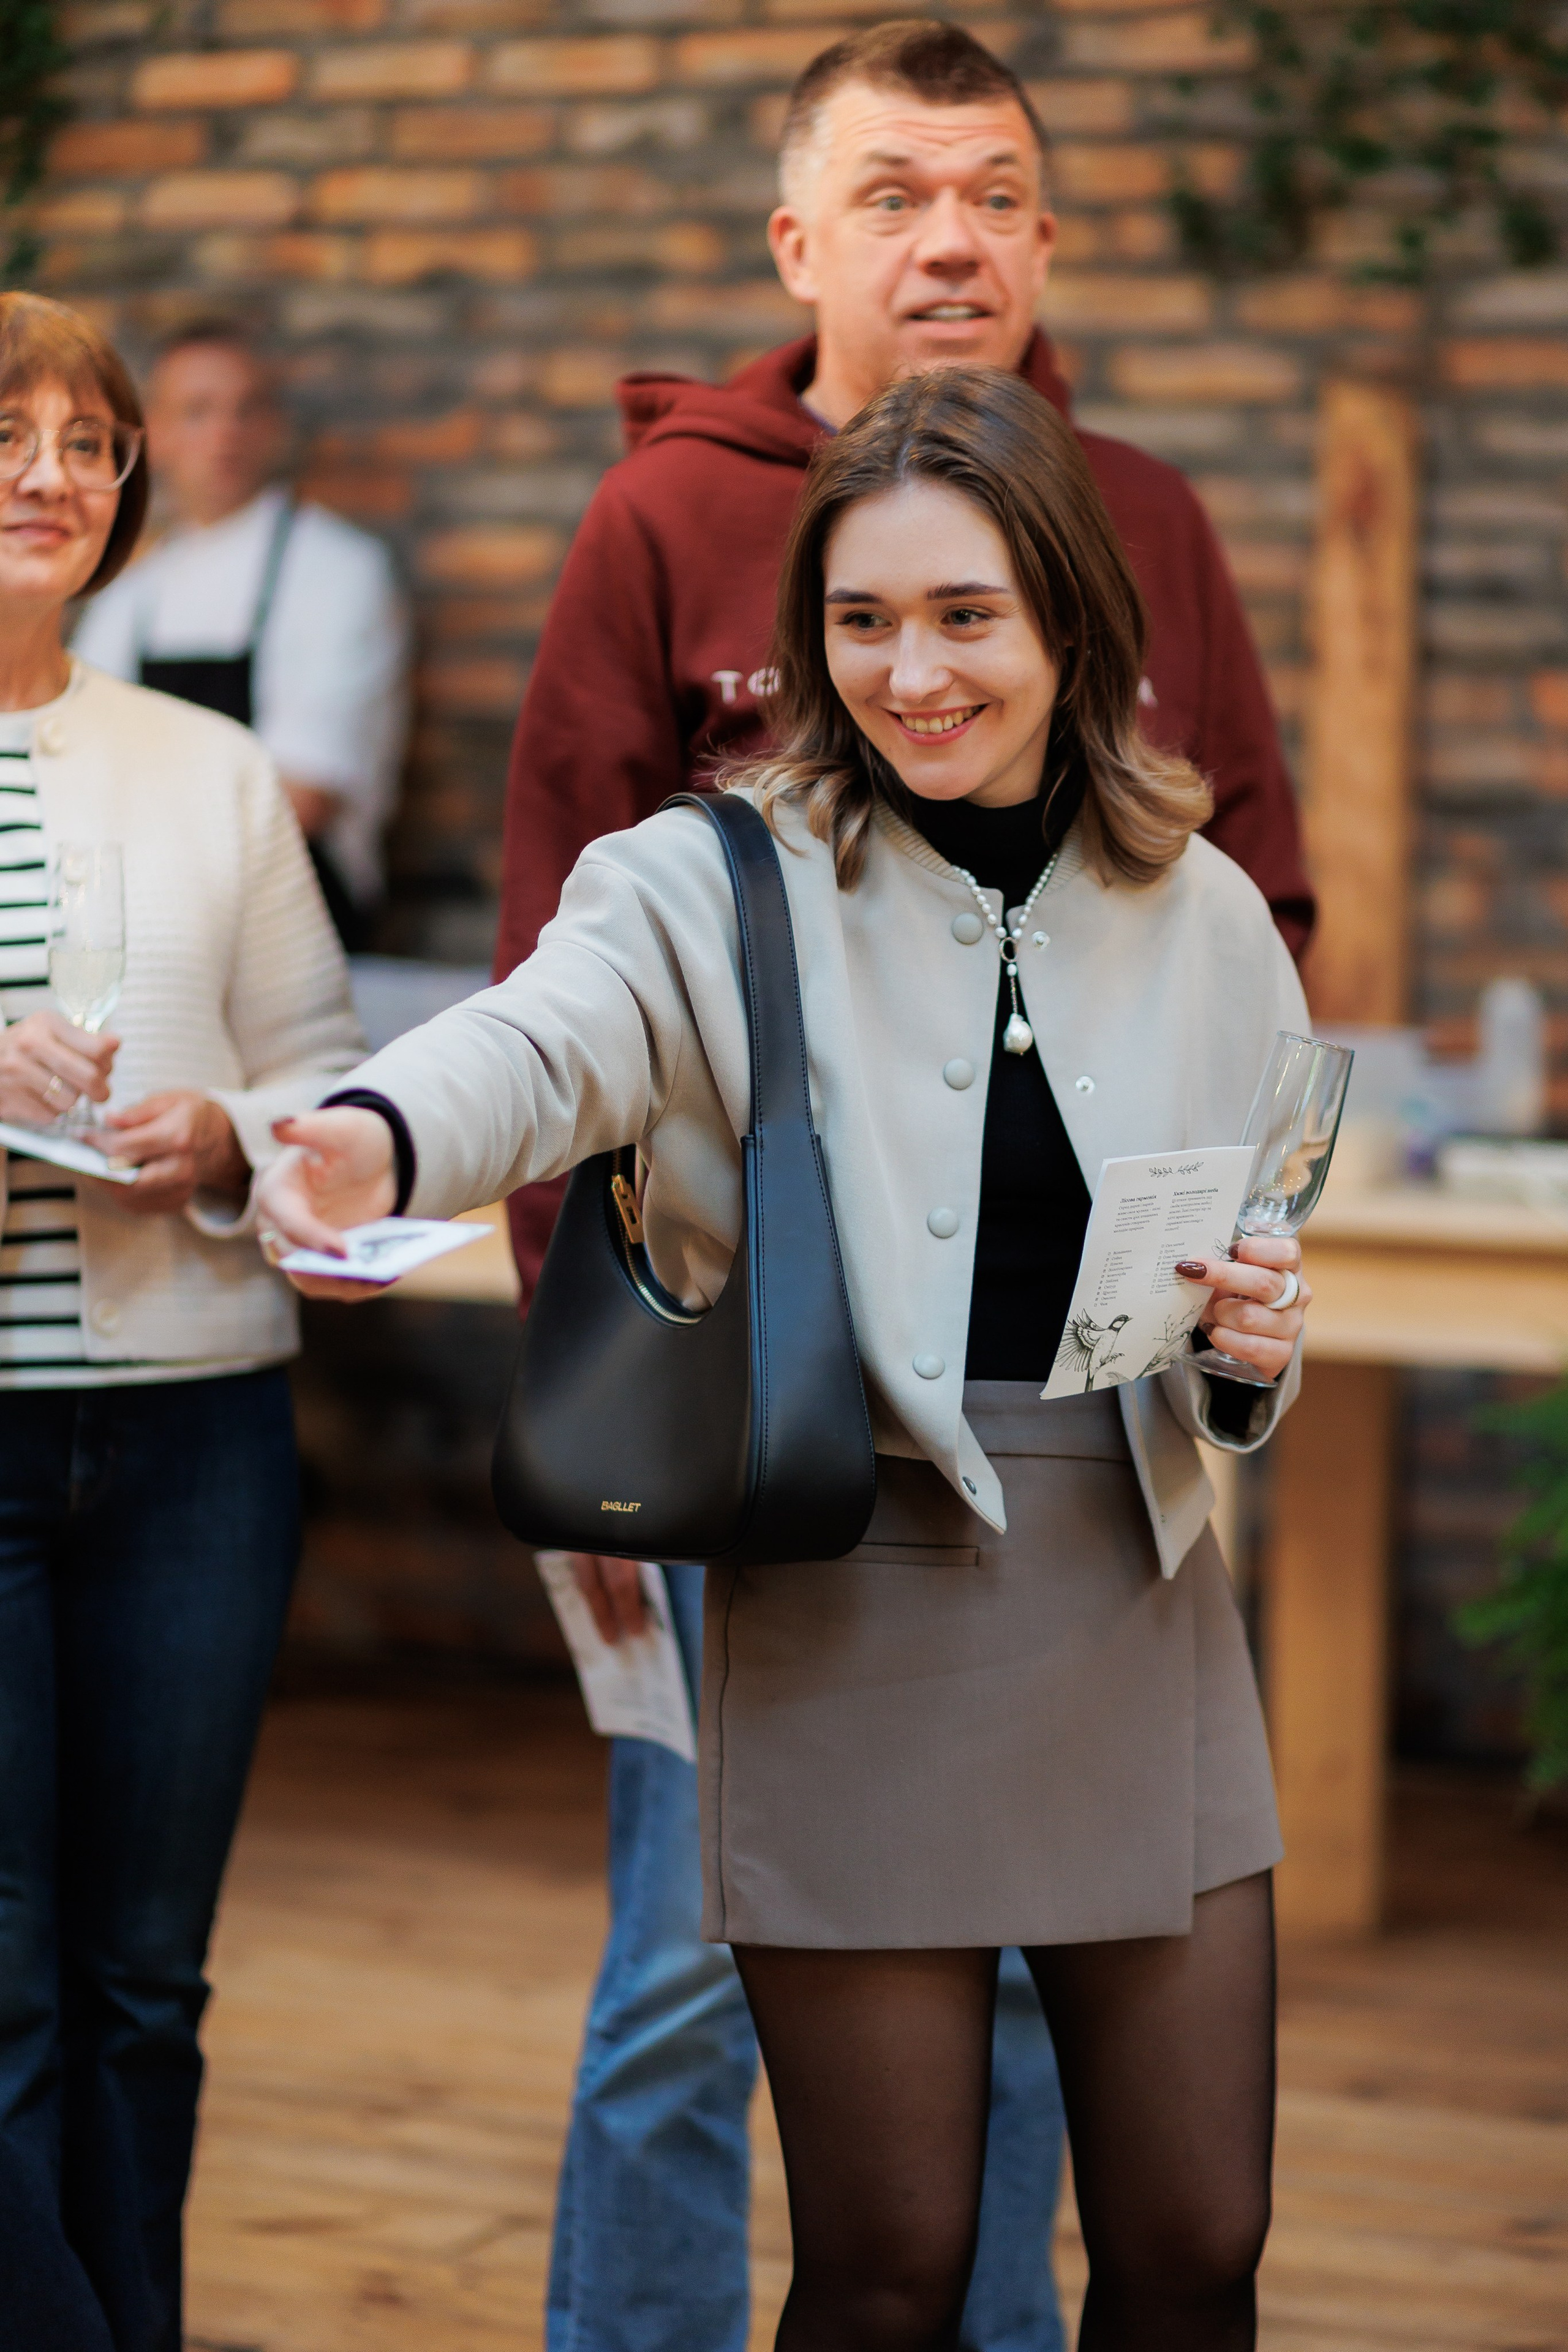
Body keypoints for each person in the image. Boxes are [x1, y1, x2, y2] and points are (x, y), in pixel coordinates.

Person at [258, 362, 1316, 2351]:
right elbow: (536, 1041)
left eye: (964, 616)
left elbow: (1237, 1281)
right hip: (851, 1600)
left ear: (1073, 619)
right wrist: (374, 1132)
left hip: (1138, 1599)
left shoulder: (1211, 914)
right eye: (863, 621)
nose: (911, 670)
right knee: (888, 2270)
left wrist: (1254, 1346)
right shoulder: (713, 876)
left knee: (1198, 2248)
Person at [489, 22, 1316, 2352]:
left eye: (990, 190)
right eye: (887, 190)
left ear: (1044, 235)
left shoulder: (1147, 513)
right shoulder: (662, 517)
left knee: (1065, 2077)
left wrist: (1212, 1260)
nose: (944, 233)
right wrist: (607, 1455)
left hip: (1086, 1483)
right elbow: (565, 986)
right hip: (769, 1474)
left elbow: (1246, 900)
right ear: (797, 238)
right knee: (689, 1999)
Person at [0, 290, 365, 2352]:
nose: (56, 474)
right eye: (10, 433)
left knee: (146, 1977)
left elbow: (325, 1086)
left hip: (190, 1438)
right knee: (3, 1973)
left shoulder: (209, 772)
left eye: (90, 441)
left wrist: (229, 1131)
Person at [72, 317, 410, 951]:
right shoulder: (127, 596)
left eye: (246, 409)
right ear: (157, 438)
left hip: (296, 925)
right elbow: (72, 774)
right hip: (145, 927)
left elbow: (303, 799)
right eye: (198, 411)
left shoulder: (339, 572)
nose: (225, 432)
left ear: (275, 427)